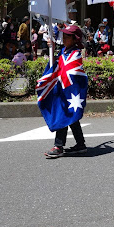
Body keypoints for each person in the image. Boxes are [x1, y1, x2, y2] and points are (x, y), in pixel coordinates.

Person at [42, 25, 88, 158]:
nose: (64, 38)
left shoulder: (75, 54)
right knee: (72, 118)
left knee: (64, 115)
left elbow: (71, 72)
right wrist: (52, 49)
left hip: (70, 92)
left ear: (74, 39)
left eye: (67, 36)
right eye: (64, 36)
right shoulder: (64, 51)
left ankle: (59, 146)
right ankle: (81, 144)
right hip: (63, 91)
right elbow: (57, 65)